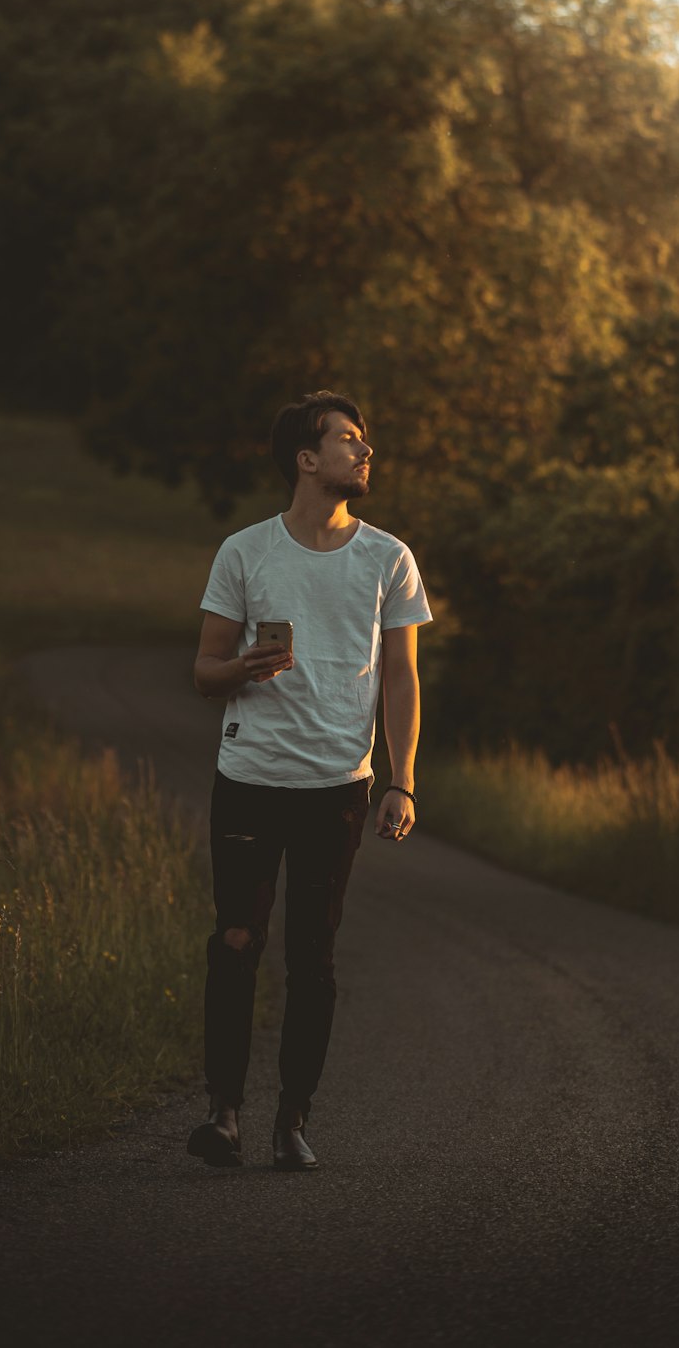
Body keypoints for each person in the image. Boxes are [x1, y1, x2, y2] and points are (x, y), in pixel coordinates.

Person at [186, 390, 432, 1171]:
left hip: (337, 786)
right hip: (251, 776)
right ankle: (224, 1113)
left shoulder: (388, 558)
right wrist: (242, 667)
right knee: (236, 939)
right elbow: (202, 672)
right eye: (349, 440)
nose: (365, 453)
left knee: (312, 959)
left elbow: (400, 678)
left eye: (364, 442)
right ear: (306, 458)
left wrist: (403, 781)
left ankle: (292, 1119)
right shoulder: (245, 552)